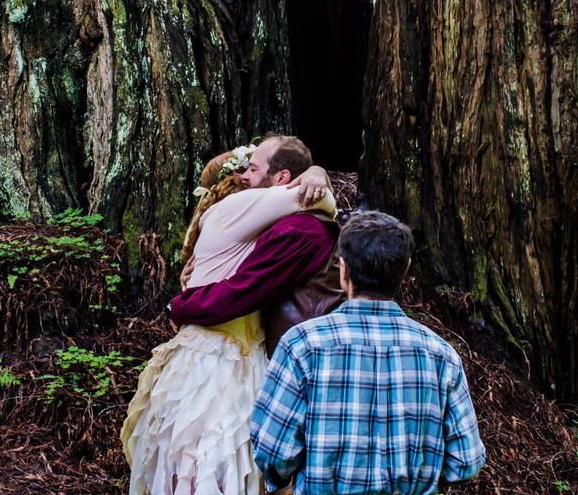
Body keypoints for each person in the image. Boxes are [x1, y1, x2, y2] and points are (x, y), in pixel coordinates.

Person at [121, 144, 336, 495]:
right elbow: (321, 201)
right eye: (245, 170)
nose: (246, 176)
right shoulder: (237, 207)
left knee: (204, 453)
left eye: (252, 168)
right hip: (218, 358)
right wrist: (317, 176)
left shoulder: (242, 224)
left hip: (231, 352)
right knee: (209, 452)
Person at [251, 211, 486, 495]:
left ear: (344, 270)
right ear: (404, 269)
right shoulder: (441, 355)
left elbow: (272, 450)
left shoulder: (302, 345)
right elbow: (466, 461)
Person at [170, 134, 345, 355]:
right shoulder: (272, 224)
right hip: (278, 349)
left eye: (252, 170)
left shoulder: (298, 229)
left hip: (300, 355)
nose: (244, 178)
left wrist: (180, 305)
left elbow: (243, 289)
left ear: (282, 178)